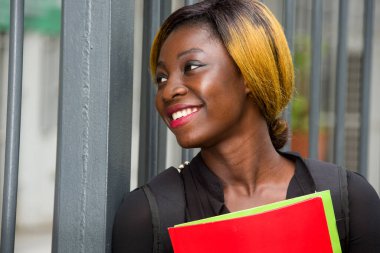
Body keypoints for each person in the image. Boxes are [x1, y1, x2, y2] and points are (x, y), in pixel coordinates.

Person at [112, 0, 380, 252]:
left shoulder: (347, 200)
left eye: (191, 66)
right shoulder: (148, 216)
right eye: (161, 78)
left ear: (250, 74)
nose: (168, 91)